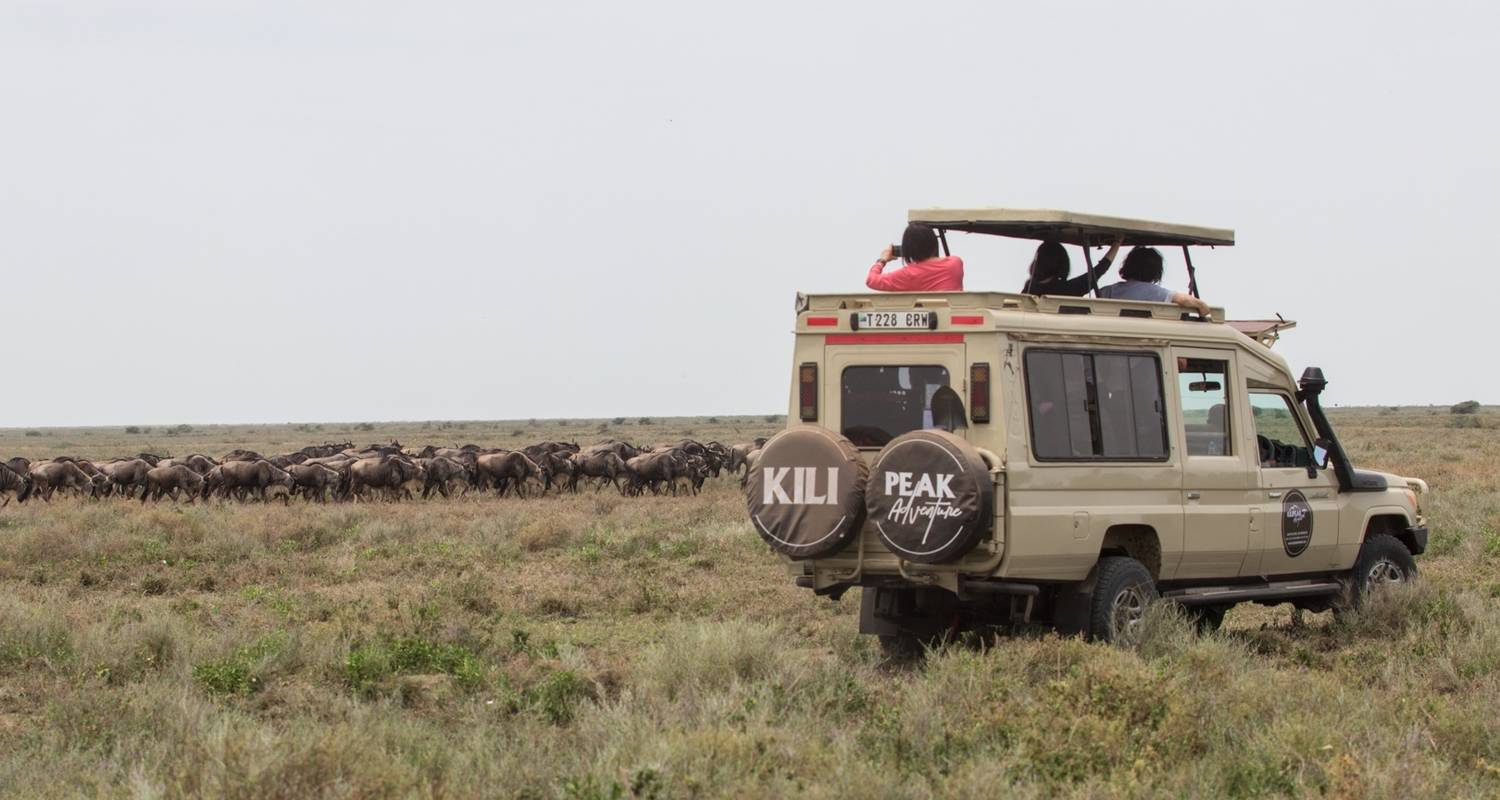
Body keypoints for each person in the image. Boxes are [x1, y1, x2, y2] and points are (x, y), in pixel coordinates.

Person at [1097, 247, 1212, 316]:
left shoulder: (1108, 291)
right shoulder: (1156, 293)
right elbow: (1182, 299)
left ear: (1128, 266)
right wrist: (1202, 306)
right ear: (1156, 271)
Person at [866, 224, 963, 291]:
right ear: (934, 242)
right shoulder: (955, 263)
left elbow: (871, 280)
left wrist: (882, 260)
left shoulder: (907, 274)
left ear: (908, 249)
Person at [1021, 236, 1122, 296]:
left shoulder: (1027, 290)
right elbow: (1098, 271)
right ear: (1063, 263)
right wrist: (1117, 242)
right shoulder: (1066, 289)